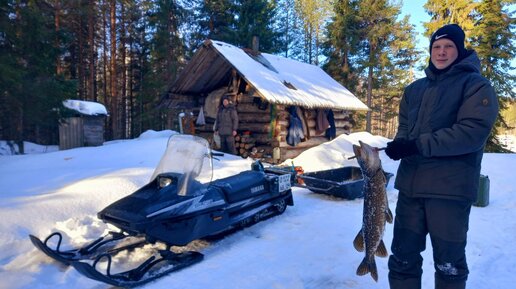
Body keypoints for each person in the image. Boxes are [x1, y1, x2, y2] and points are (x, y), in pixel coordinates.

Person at [385, 24, 499, 289]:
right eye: (436, 47)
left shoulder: (476, 86)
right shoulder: (414, 89)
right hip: (411, 188)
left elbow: (470, 133)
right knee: (402, 259)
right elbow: (405, 126)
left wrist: (417, 145)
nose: (442, 52)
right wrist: (401, 143)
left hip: (449, 190)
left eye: (448, 46)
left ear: (459, 50)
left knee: (449, 265)